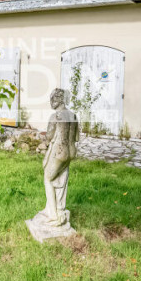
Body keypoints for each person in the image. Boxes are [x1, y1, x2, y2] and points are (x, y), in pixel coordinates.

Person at [41, 88, 79, 226]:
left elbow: (50, 136)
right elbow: (76, 137)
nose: (51, 102)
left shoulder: (55, 116)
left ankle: (53, 215)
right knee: (61, 180)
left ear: (59, 100)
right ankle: (59, 208)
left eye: (53, 99)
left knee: (48, 178)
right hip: (71, 152)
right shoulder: (74, 116)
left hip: (59, 152)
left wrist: (45, 140)